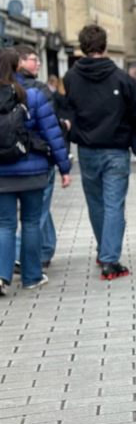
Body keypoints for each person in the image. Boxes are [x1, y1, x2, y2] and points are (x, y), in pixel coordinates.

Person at [63, 24, 136, 281]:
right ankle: (110, 259)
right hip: (116, 149)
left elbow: (70, 110)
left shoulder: (71, 77)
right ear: (105, 46)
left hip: (86, 148)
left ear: (82, 47)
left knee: (96, 204)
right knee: (113, 205)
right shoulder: (122, 78)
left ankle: (104, 251)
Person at [0, 49, 71, 296]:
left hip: (2, 174)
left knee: (5, 225)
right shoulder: (33, 96)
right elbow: (52, 134)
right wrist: (64, 168)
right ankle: (31, 276)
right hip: (34, 170)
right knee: (31, 222)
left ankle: (1, 275)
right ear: (18, 67)